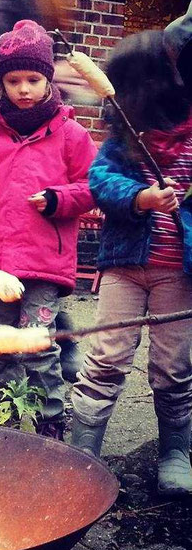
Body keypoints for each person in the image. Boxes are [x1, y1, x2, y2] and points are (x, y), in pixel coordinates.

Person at [70, 30, 192, 496]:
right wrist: (140, 197)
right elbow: (99, 181)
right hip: (125, 267)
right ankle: (83, 453)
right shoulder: (123, 140)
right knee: (107, 356)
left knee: (173, 365)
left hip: (177, 273)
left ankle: (175, 452)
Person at [0, 20, 96, 439]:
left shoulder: (71, 134)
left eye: (33, 79)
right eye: (14, 80)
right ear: (2, 84)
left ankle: (49, 423)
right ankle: (6, 419)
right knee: (2, 343)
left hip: (44, 263)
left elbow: (92, 185)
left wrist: (58, 199)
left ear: (48, 80)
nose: (24, 89)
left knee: (37, 344)